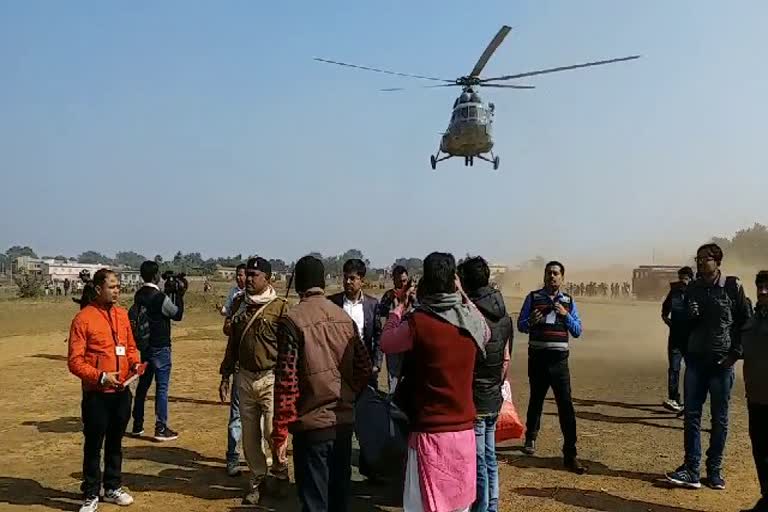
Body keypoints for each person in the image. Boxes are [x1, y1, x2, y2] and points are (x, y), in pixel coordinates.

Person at [381, 252, 490, 512]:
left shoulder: (418, 323)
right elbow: (485, 330)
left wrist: (398, 308)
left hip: (429, 433)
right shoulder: (472, 323)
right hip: (463, 433)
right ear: (454, 282)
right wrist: (463, 295)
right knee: (458, 506)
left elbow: (386, 342)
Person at [272, 255, 372, 512]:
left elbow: (286, 382)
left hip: (311, 427)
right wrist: (348, 396)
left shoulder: (292, 321)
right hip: (342, 423)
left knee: (314, 502)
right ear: (322, 283)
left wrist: (280, 431)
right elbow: (364, 366)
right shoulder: (343, 317)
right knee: (339, 498)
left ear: (297, 285)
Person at [666, 243, 751, 490]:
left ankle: (714, 471)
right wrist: (687, 316)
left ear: (718, 261)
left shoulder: (733, 286)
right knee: (691, 416)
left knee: (719, 419)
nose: (701, 262)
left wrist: (735, 355)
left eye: (706, 258)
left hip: (722, 364)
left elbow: (745, 322)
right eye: (698, 258)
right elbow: (680, 325)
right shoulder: (692, 288)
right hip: (695, 362)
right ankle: (691, 469)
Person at [68, 269, 141, 512]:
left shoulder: (122, 315)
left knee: (115, 443)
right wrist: (100, 377)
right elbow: (75, 361)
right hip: (96, 395)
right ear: (98, 289)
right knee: (93, 445)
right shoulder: (83, 319)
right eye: (112, 286)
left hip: (121, 392)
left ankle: (112, 487)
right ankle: (90, 493)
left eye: (118, 286)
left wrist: (135, 363)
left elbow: (130, 346)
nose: (117, 291)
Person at [219, 257, 288, 504]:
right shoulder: (238, 303)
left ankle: (280, 473)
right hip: (244, 378)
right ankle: (257, 479)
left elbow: (289, 349)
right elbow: (232, 343)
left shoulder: (280, 307)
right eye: (247, 274)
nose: (248, 279)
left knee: (273, 432)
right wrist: (225, 375)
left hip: (271, 378)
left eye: (254, 275)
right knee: (249, 436)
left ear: (267, 278)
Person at [518, 261, 586, 474]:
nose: (552, 277)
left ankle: (570, 452)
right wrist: (530, 320)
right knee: (536, 399)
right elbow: (520, 325)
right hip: (537, 359)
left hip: (559, 362)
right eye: (549, 273)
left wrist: (565, 316)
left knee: (565, 405)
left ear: (562, 278)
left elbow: (577, 331)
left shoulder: (569, 301)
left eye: (556, 274)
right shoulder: (533, 298)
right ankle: (531, 437)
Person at [458, 256, 512, 512]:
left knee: (479, 459)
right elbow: (505, 357)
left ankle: (483, 508)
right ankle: (492, 505)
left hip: (476, 393)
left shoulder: (469, 314)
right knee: (489, 455)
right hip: (493, 392)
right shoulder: (503, 311)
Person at [129, 261, 185, 441]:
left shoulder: (139, 295)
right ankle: (161, 427)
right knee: (162, 388)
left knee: (143, 386)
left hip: (145, 346)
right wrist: (179, 294)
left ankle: (137, 425)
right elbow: (176, 314)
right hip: (160, 346)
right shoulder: (159, 297)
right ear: (156, 276)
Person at [328, 258, 381, 390]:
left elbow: (379, 336)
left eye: (352, 278)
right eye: (345, 278)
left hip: (364, 366)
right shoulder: (332, 303)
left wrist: (377, 364)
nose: (347, 282)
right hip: (338, 367)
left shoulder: (372, 305)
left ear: (362, 281)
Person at [743, 271, 768, 512]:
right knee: (760, 450)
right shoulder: (753, 318)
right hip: (757, 397)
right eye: (760, 286)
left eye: (767, 287)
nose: (762, 291)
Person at [220, 262, 247, 476]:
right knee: (237, 417)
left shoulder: (272, 305)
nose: (243, 279)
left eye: (246, 275)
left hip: (263, 372)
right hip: (240, 367)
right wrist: (226, 375)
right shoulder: (237, 300)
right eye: (239, 275)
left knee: (263, 419)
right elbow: (227, 330)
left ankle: (257, 456)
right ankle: (232, 456)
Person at [661, 266, 694, 413]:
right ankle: (673, 398)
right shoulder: (674, 292)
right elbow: (665, 309)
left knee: (692, 370)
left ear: (691, 279)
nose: (682, 282)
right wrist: (667, 320)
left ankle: (691, 400)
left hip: (691, 339)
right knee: (674, 369)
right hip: (675, 338)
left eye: (685, 279)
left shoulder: (697, 293)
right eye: (681, 278)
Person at [377, 265, 415, 393]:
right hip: (393, 342)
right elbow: (381, 320)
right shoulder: (387, 297)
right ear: (394, 281)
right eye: (399, 282)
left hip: (410, 344)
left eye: (404, 281)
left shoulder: (415, 296)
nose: (402, 285)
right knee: (393, 379)